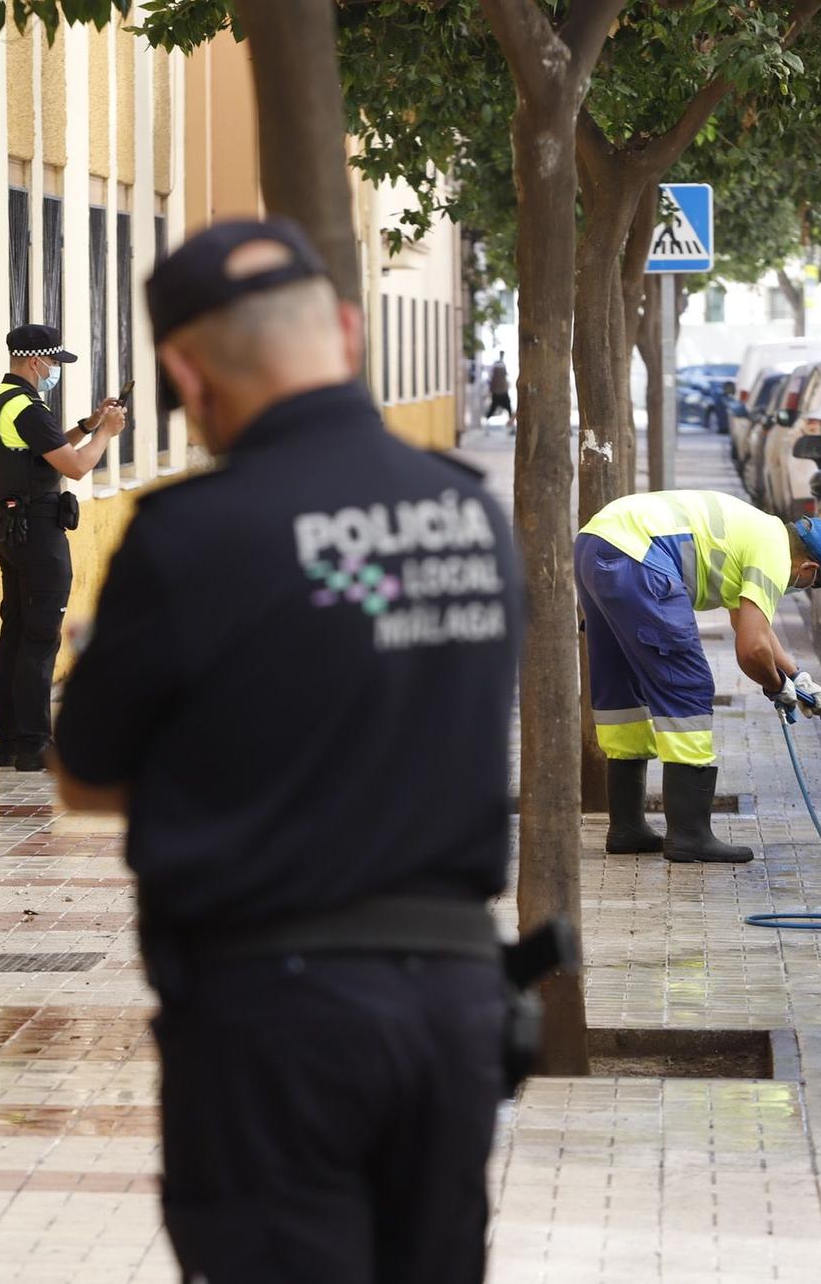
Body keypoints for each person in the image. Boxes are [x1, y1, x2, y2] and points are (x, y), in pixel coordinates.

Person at [52, 220, 524, 1282]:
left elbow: (83, 773)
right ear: (348, 332)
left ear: (182, 370)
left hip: (275, 1016)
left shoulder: (191, 537)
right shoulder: (467, 516)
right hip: (452, 1003)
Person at [576, 490, 821, 863]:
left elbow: (748, 622)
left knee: (623, 689)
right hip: (639, 557)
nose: (799, 587)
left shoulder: (758, 531)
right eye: (812, 585)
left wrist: (797, 677)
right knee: (688, 686)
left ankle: (627, 827)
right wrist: (776, 686)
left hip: (596, 543)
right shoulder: (775, 557)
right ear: (809, 570)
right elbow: (751, 649)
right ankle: (689, 835)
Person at [0, 323, 124, 770]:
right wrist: (106, 435)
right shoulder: (30, 409)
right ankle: (36, 745)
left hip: (9, 527)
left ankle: (11, 740)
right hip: (38, 534)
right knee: (40, 639)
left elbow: (42, 451)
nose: (56, 370)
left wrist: (86, 425)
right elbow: (74, 467)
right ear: (37, 361)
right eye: (55, 362)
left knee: (15, 634)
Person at [485, 349, 514, 428]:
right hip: (499, 392)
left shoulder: (500, 365)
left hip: (501, 392)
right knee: (493, 410)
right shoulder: (498, 365)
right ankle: (486, 426)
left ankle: (511, 426)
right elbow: (492, 379)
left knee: (508, 410)